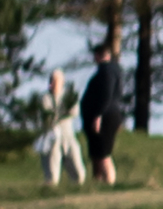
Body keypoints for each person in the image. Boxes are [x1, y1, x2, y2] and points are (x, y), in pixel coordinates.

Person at [80, 45, 125, 185]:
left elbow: (106, 94)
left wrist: (98, 115)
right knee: (96, 154)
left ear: (99, 55)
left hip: (104, 117)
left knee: (103, 153)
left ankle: (109, 183)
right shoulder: (113, 70)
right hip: (107, 114)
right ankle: (97, 183)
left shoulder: (107, 71)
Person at [35, 68, 86, 185]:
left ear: (62, 82)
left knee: (79, 172)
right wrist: (61, 113)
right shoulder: (45, 98)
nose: (52, 84)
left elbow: (74, 111)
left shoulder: (69, 96)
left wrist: (58, 114)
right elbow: (47, 115)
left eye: (55, 81)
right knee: (52, 176)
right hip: (52, 138)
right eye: (51, 81)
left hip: (68, 137)